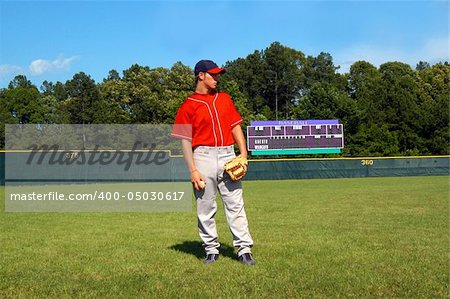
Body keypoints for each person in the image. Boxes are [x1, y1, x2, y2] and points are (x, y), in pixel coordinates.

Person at [171, 59, 255, 265]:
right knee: (205, 207)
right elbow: (185, 141)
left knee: (235, 204)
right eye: (213, 75)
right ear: (201, 75)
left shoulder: (225, 99)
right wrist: (192, 170)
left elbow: (235, 127)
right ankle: (211, 249)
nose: (217, 78)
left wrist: (242, 154)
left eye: (218, 75)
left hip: (227, 154)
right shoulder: (188, 105)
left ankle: (244, 249)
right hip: (202, 156)